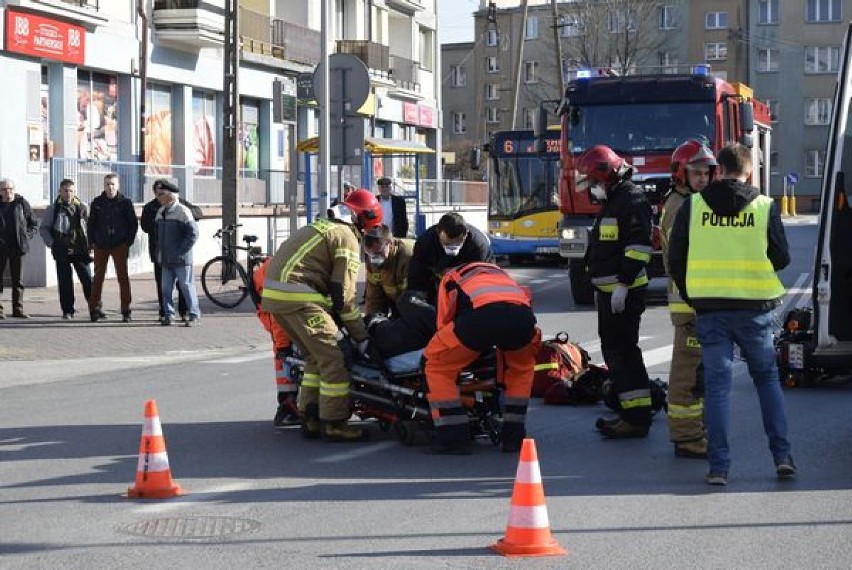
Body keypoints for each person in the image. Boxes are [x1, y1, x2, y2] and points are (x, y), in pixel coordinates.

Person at [668, 143, 794, 486]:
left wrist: (694, 293)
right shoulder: (764, 206)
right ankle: (782, 457)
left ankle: (719, 468)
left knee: (718, 387)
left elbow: (675, 258)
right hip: (755, 309)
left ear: (718, 170)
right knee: (767, 381)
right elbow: (781, 258)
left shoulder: (693, 206)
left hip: (711, 309)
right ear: (750, 171)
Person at [261, 189, 383, 442]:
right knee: (335, 357)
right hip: (300, 299)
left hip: (276, 298)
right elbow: (344, 294)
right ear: (364, 220)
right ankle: (334, 423)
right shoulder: (346, 237)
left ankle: (311, 417)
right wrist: (361, 336)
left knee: (315, 359)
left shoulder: (323, 227)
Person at [576, 145, 654, 439]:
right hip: (611, 294)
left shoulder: (630, 200)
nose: (592, 189)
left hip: (623, 293)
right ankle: (632, 411)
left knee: (623, 353)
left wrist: (623, 283)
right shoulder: (616, 200)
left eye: (593, 183)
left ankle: (635, 417)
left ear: (607, 176)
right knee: (619, 352)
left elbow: (638, 247)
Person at [424, 262, 541, 454]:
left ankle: (454, 439)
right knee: (520, 369)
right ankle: (513, 438)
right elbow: (526, 306)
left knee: (438, 366)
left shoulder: (451, 277)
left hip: (481, 321)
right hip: (522, 321)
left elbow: (444, 322)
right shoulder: (503, 276)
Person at [660, 140, 717, 459]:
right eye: (696, 173)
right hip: (690, 306)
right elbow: (683, 260)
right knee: (687, 374)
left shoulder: (688, 203)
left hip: (695, 304)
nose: (703, 179)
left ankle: (695, 431)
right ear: (681, 173)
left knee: (698, 372)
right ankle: (687, 437)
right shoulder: (681, 207)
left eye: (707, 173)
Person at [361, 224, 434, 359]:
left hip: (422, 309)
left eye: (378, 253)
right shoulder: (373, 260)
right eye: (369, 254)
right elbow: (374, 298)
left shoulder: (409, 255)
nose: (374, 258)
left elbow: (416, 299)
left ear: (390, 243)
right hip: (398, 305)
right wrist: (373, 322)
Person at [141, 179, 203, 322]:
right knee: (165, 289)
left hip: (181, 258)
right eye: (158, 194)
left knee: (186, 287)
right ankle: (168, 315)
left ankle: (193, 314)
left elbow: (193, 234)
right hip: (165, 259)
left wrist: (180, 250)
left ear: (170, 195)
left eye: (162, 194)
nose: (159, 197)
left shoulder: (183, 210)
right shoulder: (160, 211)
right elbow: (155, 232)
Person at [252, 256, 300, 427]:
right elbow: (278, 318)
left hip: (271, 298)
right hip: (271, 306)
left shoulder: (292, 266)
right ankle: (287, 406)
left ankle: (288, 405)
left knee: (288, 352)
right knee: (284, 355)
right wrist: (282, 347)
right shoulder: (280, 278)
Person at [407, 212, 494, 305]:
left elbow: (482, 280)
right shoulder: (425, 243)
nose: (452, 247)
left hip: (471, 284)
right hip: (435, 282)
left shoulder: (478, 246)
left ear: (466, 234)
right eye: (447, 244)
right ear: (438, 233)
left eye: (457, 243)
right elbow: (416, 276)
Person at [39, 179, 93, 319]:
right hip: (62, 250)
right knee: (64, 282)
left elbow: (91, 227)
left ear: (75, 192)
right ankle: (67, 311)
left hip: (80, 250)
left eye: (71, 191)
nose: (68, 194)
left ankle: (95, 308)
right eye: (65, 191)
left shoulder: (82, 207)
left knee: (88, 279)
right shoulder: (53, 209)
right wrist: (52, 243)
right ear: (60, 192)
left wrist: (91, 245)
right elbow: (44, 228)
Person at [88, 173, 138, 323]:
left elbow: (133, 224)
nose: (110, 187)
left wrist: (127, 242)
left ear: (118, 186)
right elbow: (91, 225)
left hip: (119, 245)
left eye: (113, 184)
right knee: (98, 278)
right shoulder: (97, 202)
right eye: (107, 184)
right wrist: (92, 242)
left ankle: (126, 310)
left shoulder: (125, 203)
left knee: (123, 278)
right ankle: (94, 309)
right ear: (104, 186)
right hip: (101, 245)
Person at [0, 178, 38, 319]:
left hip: (18, 246)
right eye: (4, 189)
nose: (8, 192)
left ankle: (18, 309)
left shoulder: (21, 203)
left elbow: (33, 224)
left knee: (18, 281)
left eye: (10, 189)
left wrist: (26, 236)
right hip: (1, 248)